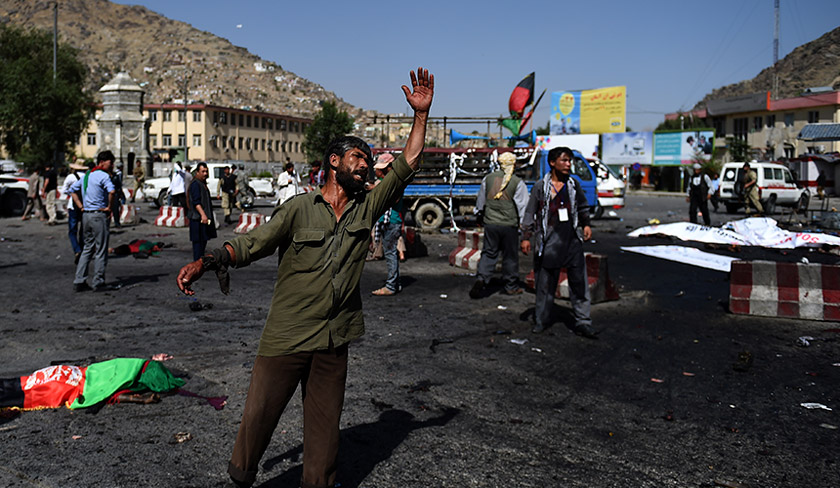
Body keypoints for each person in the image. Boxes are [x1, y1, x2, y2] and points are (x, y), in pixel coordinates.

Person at [176, 67, 433, 488]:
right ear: (335, 162)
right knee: (259, 417)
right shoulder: (298, 208)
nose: (365, 166)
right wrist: (206, 261)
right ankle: (241, 477)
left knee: (325, 432)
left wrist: (421, 116)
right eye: (358, 158)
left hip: (333, 339)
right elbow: (253, 243)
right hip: (288, 335)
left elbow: (408, 162)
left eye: (368, 161)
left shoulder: (367, 207)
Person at [521, 146, 597, 339]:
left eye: (569, 161)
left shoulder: (573, 185)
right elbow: (530, 212)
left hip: (571, 242)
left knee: (579, 283)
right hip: (549, 244)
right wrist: (526, 237)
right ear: (553, 163)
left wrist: (586, 224)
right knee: (545, 285)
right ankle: (541, 320)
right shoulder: (541, 187)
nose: (568, 164)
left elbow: (582, 206)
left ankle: (583, 322)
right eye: (564, 160)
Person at [469, 151, 528, 298]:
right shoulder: (517, 182)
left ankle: (482, 278)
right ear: (513, 164)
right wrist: (525, 227)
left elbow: (480, 202)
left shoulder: (488, 179)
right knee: (510, 256)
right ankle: (510, 285)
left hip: (491, 223)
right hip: (509, 225)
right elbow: (523, 207)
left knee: (489, 252)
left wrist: (479, 215)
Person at [69, 151, 117, 292]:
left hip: (86, 216)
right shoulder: (103, 176)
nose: (112, 165)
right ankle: (98, 281)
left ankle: (79, 280)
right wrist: (109, 207)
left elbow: (72, 190)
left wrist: (81, 206)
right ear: (102, 162)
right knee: (101, 249)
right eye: (110, 162)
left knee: (87, 249)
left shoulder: (87, 175)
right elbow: (112, 192)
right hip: (98, 215)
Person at [371, 153, 405, 296]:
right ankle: (393, 283)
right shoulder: (389, 180)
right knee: (390, 252)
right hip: (388, 221)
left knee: (390, 253)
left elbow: (394, 200)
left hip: (391, 221)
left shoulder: (395, 181)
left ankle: (391, 286)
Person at [187, 162, 217, 260]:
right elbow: (196, 202)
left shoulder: (202, 184)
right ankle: (196, 265)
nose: (205, 174)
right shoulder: (196, 184)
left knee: (203, 243)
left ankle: (200, 263)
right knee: (198, 245)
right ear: (197, 172)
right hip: (197, 219)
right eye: (203, 171)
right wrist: (203, 215)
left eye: (206, 171)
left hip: (202, 219)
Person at [61, 161, 88, 263]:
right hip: (84, 206)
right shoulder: (86, 177)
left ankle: (77, 249)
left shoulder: (70, 177)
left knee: (72, 231)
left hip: (73, 206)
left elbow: (64, 190)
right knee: (82, 231)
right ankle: (82, 250)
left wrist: (72, 193)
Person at [111, 162, 125, 228]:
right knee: (115, 208)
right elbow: (119, 182)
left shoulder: (113, 173)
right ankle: (117, 222)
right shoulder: (119, 174)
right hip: (115, 192)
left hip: (112, 192)